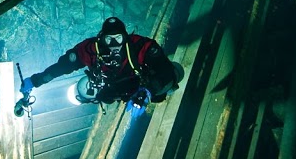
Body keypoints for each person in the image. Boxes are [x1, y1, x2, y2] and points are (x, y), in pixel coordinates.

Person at [20, 17, 183, 109]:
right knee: (102, 96)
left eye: (118, 39)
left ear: (125, 38)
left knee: (169, 81)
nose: (114, 44)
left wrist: (148, 91)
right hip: (113, 86)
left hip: (141, 84)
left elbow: (165, 69)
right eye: (109, 40)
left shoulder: (140, 46)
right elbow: (63, 66)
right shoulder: (90, 50)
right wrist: (37, 80)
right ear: (101, 39)